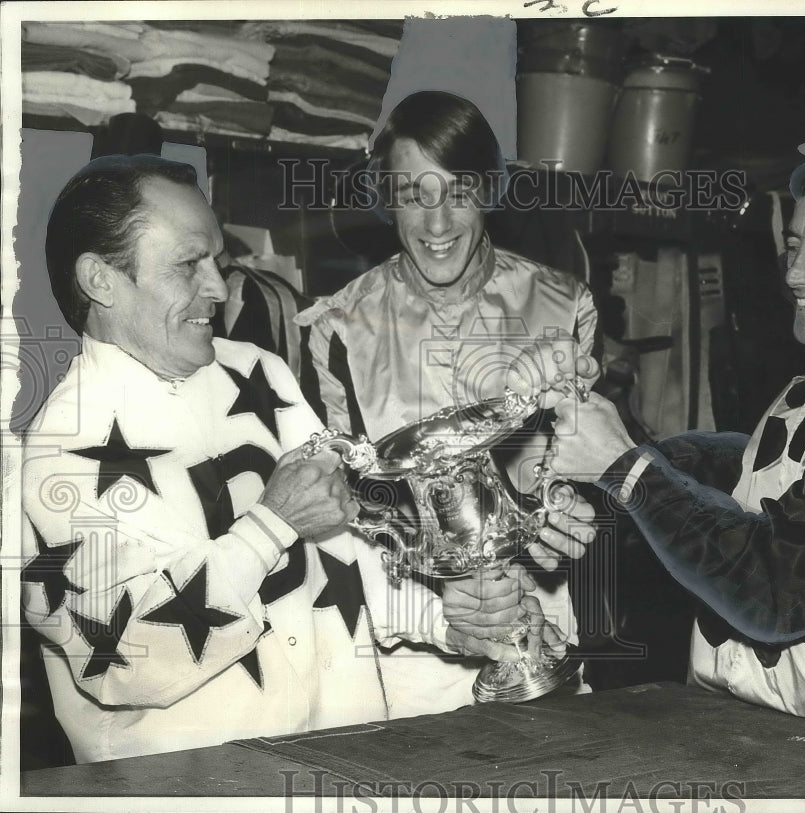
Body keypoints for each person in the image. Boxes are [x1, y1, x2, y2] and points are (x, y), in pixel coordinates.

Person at [20, 154, 533, 764]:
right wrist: (270, 525)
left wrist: (441, 618)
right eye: (189, 265)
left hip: (350, 767)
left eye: (217, 261)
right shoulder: (59, 454)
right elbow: (132, 659)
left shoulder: (258, 373)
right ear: (101, 279)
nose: (218, 286)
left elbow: (351, 550)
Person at [522, 151, 805, 750]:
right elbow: (745, 479)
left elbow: (779, 594)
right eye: (794, 246)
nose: (794, 272)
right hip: (770, 738)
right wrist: (603, 459)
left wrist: (623, 467)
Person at [296, 90, 598, 717]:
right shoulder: (339, 326)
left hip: (539, 619)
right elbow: (343, 503)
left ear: (488, 190)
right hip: (414, 647)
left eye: (458, 192)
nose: (436, 225)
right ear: (387, 196)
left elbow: (584, 466)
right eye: (413, 195)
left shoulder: (565, 305)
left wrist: (572, 512)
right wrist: (440, 597)